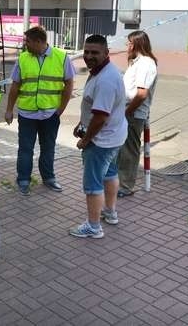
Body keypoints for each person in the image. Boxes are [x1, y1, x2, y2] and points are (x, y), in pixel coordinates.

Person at [5, 26, 75, 195]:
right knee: (25, 149)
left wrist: (60, 110)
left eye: (27, 42)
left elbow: (69, 84)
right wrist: (9, 110)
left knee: (48, 148)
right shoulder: (23, 58)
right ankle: (23, 180)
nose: (25, 45)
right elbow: (15, 86)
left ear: (38, 42)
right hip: (27, 114)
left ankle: (49, 178)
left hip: (50, 114)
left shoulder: (61, 57)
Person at [70, 35, 127, 238]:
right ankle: (110, 212)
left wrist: (86, 139)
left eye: (95, 52)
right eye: (86, 51)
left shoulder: (106, 79)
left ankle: (93, 227)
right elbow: (93, 108)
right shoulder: (101, 72)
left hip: (101, 141)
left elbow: (101, 116)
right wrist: (81, 124)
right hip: (113, 137)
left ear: (106, 53)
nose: (89, 56)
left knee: (93, 183)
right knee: (110, 174)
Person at [117, 31, 158, 198]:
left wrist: (126, 113)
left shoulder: (146, 64)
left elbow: (141, 94)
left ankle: (126, 186)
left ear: (135, 44)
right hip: (127, 112)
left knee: (128, 151)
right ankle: (120, 182)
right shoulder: (137, 62)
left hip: (133, 114)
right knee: (121, 149)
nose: (127, 47)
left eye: (128, 43)